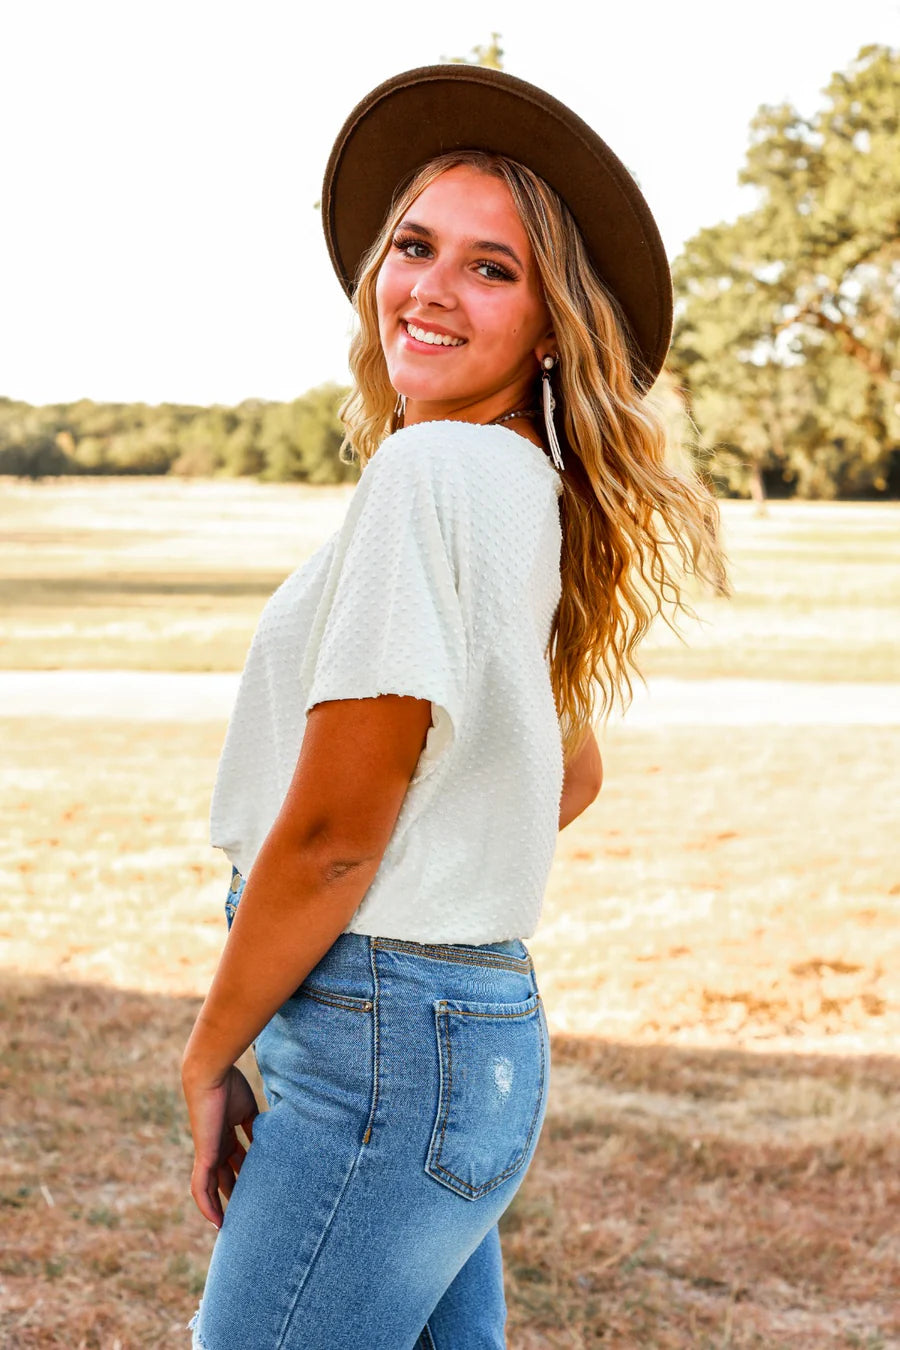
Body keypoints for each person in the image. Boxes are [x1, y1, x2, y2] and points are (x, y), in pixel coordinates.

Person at [181, 65, 729, 1350]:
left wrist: (210, 1051)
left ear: (549, 328)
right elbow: (568, 774)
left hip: (380, 1043)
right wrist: (447, 886)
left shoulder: (433, 473)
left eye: (492, 268)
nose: (430, 287)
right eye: (416, 246)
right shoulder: (520, 480)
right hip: (465, 1038)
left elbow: (335, 838)